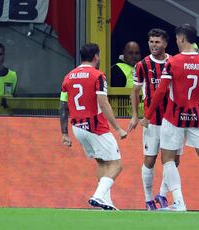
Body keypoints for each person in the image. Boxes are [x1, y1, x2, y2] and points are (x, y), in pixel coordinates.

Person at [141, 24, 199, 212]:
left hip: (174, 117)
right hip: (196, 117)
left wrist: (148, 115)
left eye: (177, 39)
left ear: (182, 39)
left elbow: (161, 91)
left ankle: (179, 202)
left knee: (167, 159)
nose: (176, 42)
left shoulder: (173, 62)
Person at [59, 43, 127, 210]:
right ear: (96, 56)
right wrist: (118, 128)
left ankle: (106, 203)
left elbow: (62, 106)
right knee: (117, 164)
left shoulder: (68, 77)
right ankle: (97, 196)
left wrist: (64, 133)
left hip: (77, 127)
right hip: (95, 126)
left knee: (102, 163)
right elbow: (103, 103)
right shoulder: (98, 76)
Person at [128, 28, 180, 211]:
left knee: (174, 161)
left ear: (165, 43)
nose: (153, 45)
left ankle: (162, 194)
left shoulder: (174, 62)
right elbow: (134, 92)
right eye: (151, 41)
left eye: (157, 42)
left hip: (173, 120)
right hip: (152, 122)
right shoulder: (142, 65)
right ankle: (149, 199)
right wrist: (136, 115)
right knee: (149, 160)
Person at [0, 42, 18, 114]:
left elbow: (15, 101)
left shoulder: (12, 76)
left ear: (4, 55)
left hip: (5, 120)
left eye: (0, 54)